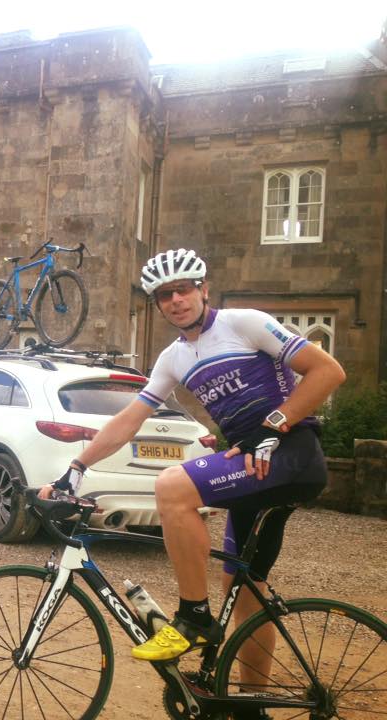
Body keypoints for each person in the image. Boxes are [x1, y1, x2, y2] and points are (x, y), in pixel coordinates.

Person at [39, 249, 345, 676]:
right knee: (243, 591)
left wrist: (274, 424)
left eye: (183, 289)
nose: (176, 300)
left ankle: (194, 617)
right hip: (253, 468)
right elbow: (129, 420)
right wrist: (76, 467)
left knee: (172, 486)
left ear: (203, 289)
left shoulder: (245, 323)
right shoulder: (174, 358)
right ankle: (250, 702)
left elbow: (328, 371)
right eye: (164, 295)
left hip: (290, 453)